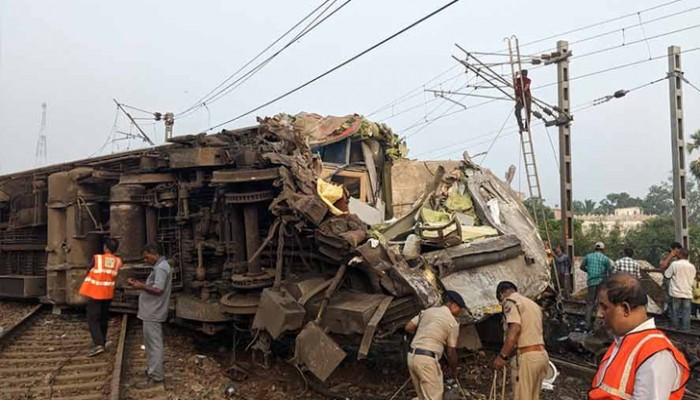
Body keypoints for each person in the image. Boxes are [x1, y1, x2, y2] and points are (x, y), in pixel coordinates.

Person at [589, 274, 689, 399]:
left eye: (604, 307)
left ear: (625, 309)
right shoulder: (623, 341)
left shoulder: (655, 355)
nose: (599, 314)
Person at [493, 281, 549, 400]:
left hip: (527, 358)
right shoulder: (533, 304)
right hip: (541, 356)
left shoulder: (510, 302)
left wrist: (502, 356)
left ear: (501, 294)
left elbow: (515, 328)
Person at [404, 290, 464, 400]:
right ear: (453, 305)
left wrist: (422, 334)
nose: (459, 312)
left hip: (412, 357)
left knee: (422, 396)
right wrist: (453, 370)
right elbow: (451, 352)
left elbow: (409, 327)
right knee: (434, 397)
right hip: (427, 360)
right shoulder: (453, 322)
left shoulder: (427, 312)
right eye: (459, 309)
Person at [127, 243, 172, 388]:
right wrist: (141, 284)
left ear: (153, 253)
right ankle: (152, 371)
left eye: (147, 257)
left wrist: (141, 286)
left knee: (154, 345)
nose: (146, 260)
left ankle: (156, 377)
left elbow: (158, 289)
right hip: (151, 312)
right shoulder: (160, 267)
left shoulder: (161, 268)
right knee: (150, 344)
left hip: (154, 312)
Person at [78, 237, 123, 357]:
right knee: (103, 318)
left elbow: (89, 270)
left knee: (93, 318)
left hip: (95, 292)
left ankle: (98, 344)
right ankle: (102, 340)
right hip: (108, 293)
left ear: (105, 248)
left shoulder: (97, 258)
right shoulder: (118, 261)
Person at [580, 242, 613, 330]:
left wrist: (589, 271)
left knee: (590, 303)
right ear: (603, 250)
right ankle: (596, 326)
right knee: (599, 303)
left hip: (591, 282)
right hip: (601, 282)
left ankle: (587, 325)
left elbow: (582, 267)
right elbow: (609, 271)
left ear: (595, 248)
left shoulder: (588, 256)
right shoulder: (605, 259)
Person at [663, 248, 696, 331]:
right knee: (686, 313)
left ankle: (675, 328)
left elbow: (667, 275)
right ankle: (686, 330)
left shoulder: (675, 264)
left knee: (675, 311)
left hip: (676, 292)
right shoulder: (692, 267)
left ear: (681, 255)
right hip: (687, 292)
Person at [659, 242, 683, 319]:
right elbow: (662, 266)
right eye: (676, 251)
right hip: (668, 280)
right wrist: (670, 256)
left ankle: (677, 316)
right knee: (669, 299)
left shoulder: (681, 257)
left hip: (679, 281)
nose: (677, 253)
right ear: (672, 249)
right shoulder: (665, 255)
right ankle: (670, 316)